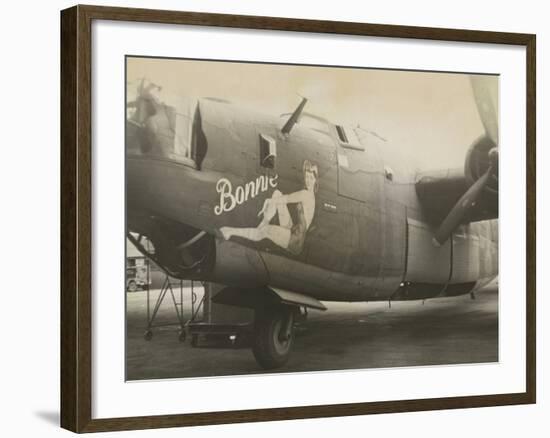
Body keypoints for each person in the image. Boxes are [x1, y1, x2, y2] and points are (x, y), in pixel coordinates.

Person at [219, 160, 318, 255]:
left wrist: (268, 201)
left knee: (264, 230)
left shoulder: (306, 195)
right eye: (307, 177)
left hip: (293, 241)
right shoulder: (309, 194)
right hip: (292, 230)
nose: (308, 181)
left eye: (311, 178)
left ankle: (230, 231)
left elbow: (287, 198)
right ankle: (261, 227)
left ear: (316, 180)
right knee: (277, 193)